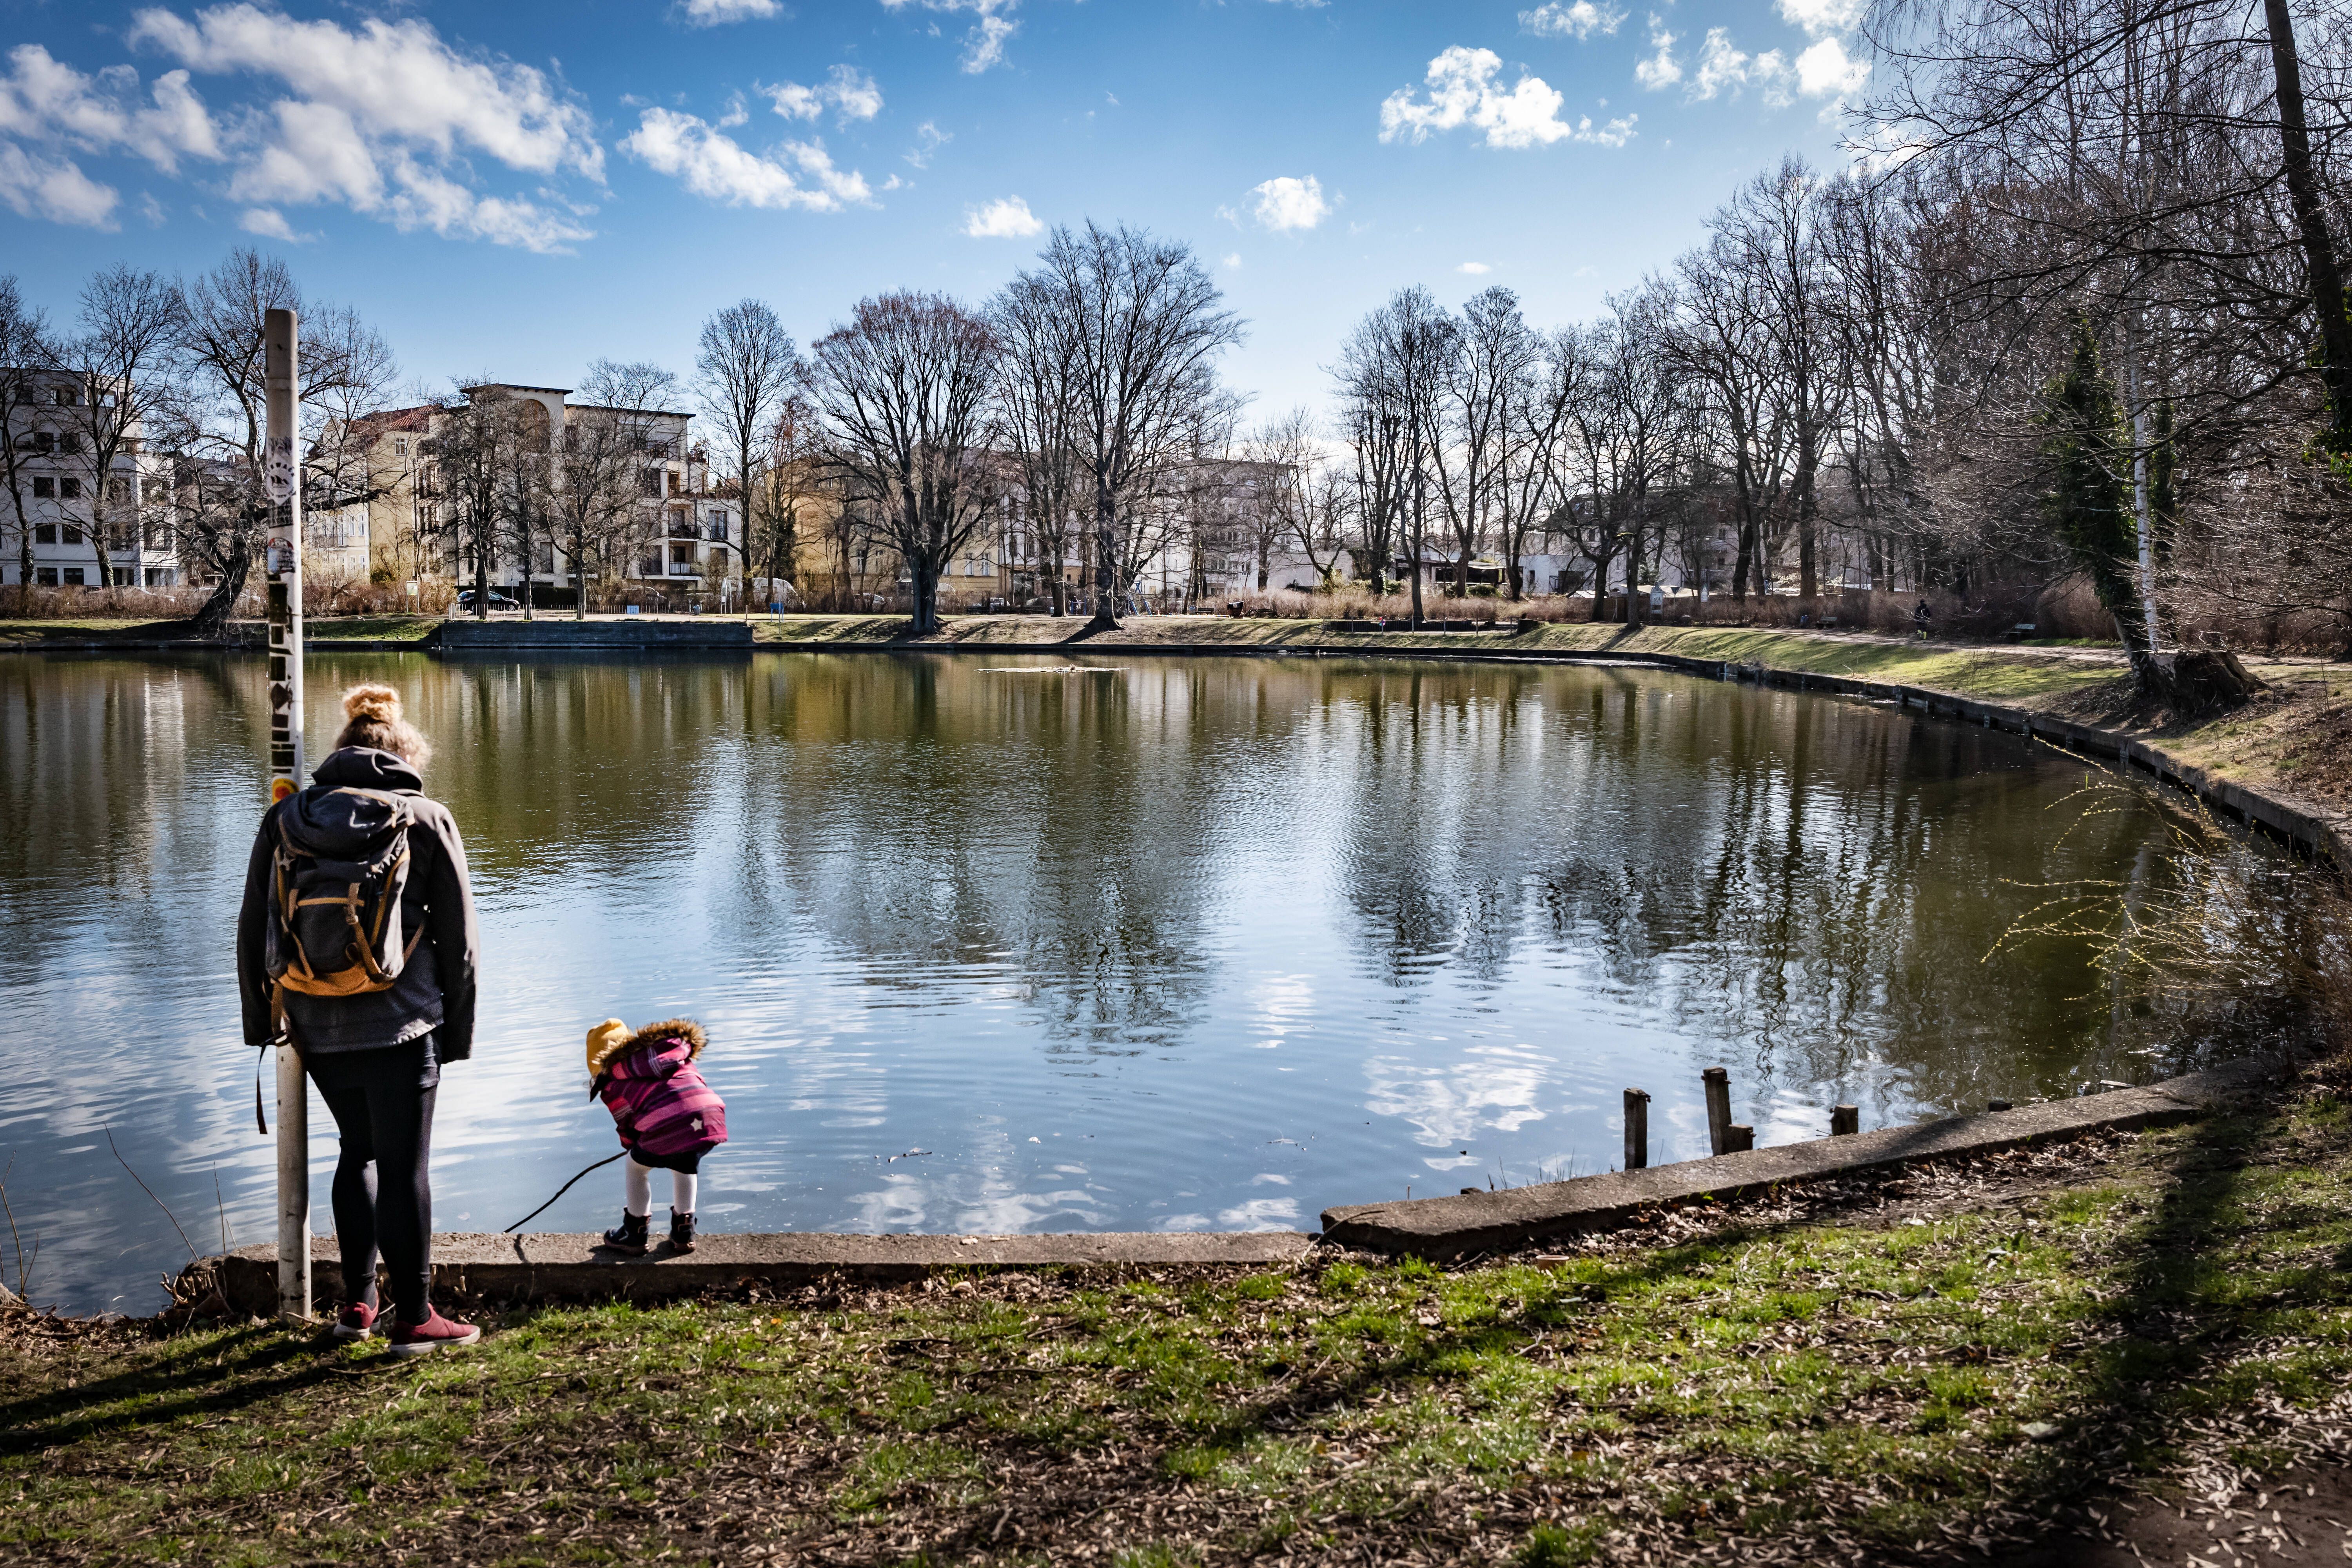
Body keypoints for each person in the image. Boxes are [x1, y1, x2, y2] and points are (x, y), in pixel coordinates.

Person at [237, 684, 481, 1355]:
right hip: (404, 1026)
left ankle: (359, 1306)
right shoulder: (425, 819)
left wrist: (263, 1023)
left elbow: (255, 927)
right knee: (404, 1166)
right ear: (405, 754)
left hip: (316, 1023)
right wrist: (455, 1036)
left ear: (341, 752)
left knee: (358, 1153)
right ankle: (417, 1318)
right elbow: (459, 944)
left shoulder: (285, 820)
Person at [584, 1018, 729, 1255]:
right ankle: (684, 1233)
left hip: (670, 1123)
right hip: (709, 1116)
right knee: (685, 1165)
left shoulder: (614, 1081)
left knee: (636, 1167)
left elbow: (626, 1124)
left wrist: (632, 1146)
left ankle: (635, 1233)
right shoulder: (671, 1056)